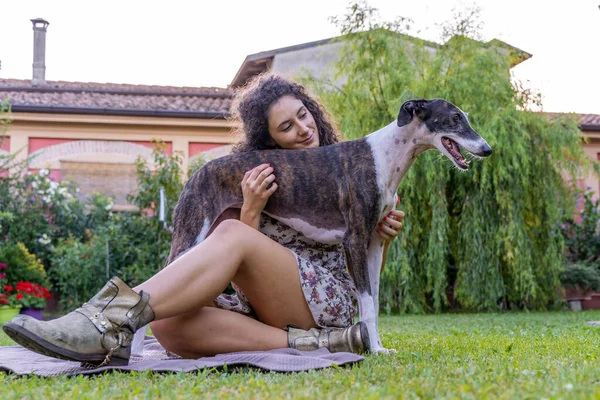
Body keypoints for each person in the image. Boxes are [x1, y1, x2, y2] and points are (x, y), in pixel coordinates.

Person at [2, 74, 405, 366]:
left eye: (303, 115)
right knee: (168, 326)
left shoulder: (352, 169)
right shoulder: (255, 177)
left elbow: (361, 267)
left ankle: (104, 318)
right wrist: (250, 208)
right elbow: (230, 272)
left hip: (326, 298)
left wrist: (380, 239)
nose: (303, 129)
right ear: (269, 142)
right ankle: (327, 343)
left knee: (231, 233)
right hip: (265, 306)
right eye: (287, 126)